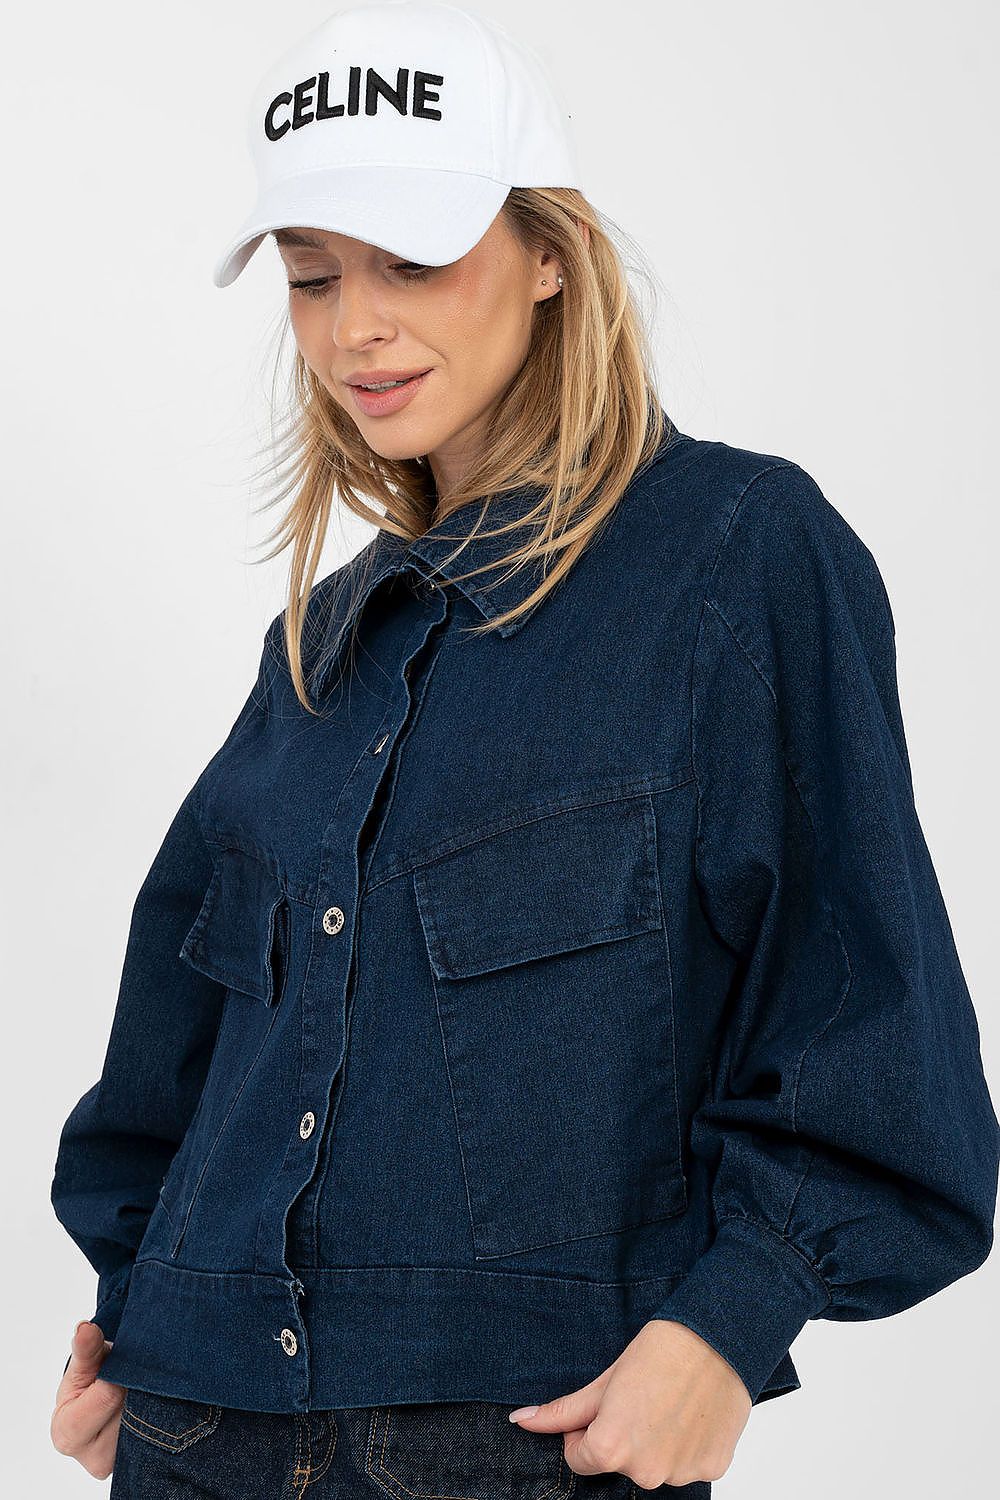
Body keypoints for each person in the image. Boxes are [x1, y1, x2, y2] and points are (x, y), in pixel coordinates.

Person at [49, 3, 999, 1496]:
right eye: (311, 277)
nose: (355, 326)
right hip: (187, 1428)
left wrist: (726, 1328)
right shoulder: (319, 649)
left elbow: (875, 1038)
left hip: (516, 1449)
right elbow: (174, 1062)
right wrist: (142, 1305)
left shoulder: (740, 559)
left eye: (413, 261)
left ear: (549, 251)